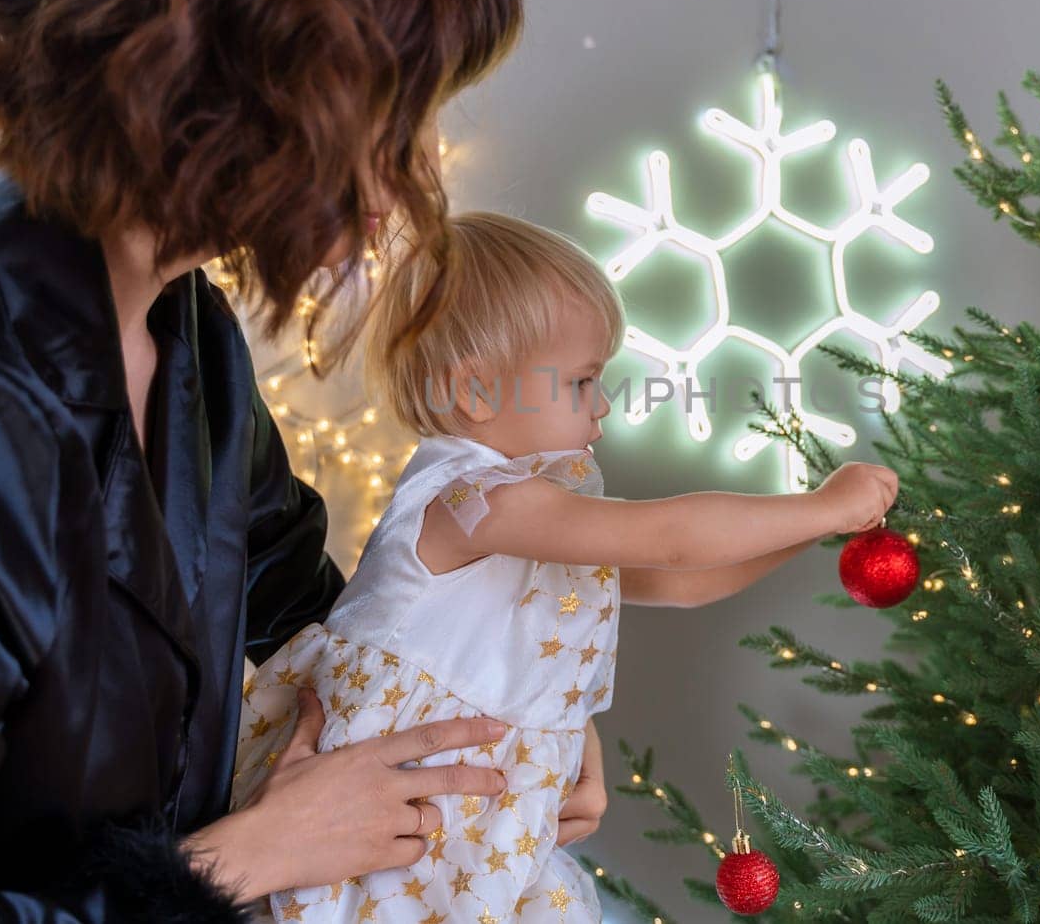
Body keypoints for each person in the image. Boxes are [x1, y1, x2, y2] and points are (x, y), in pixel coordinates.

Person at [0, 0, 610, 920]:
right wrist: (241, 859)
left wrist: (509, 698)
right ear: (255, 82)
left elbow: (299, 596)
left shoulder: (188, 331)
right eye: (397, 116)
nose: (412, 174)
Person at [229, 212, 900, 921]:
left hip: (473, 831)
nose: (602, 405)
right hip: (395, 822)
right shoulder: (474, 501)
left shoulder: (538, 520)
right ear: (476, 391)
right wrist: (819, 506)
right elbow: (671, 539)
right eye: (582, 381)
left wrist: (821, 529)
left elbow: (683, 579)